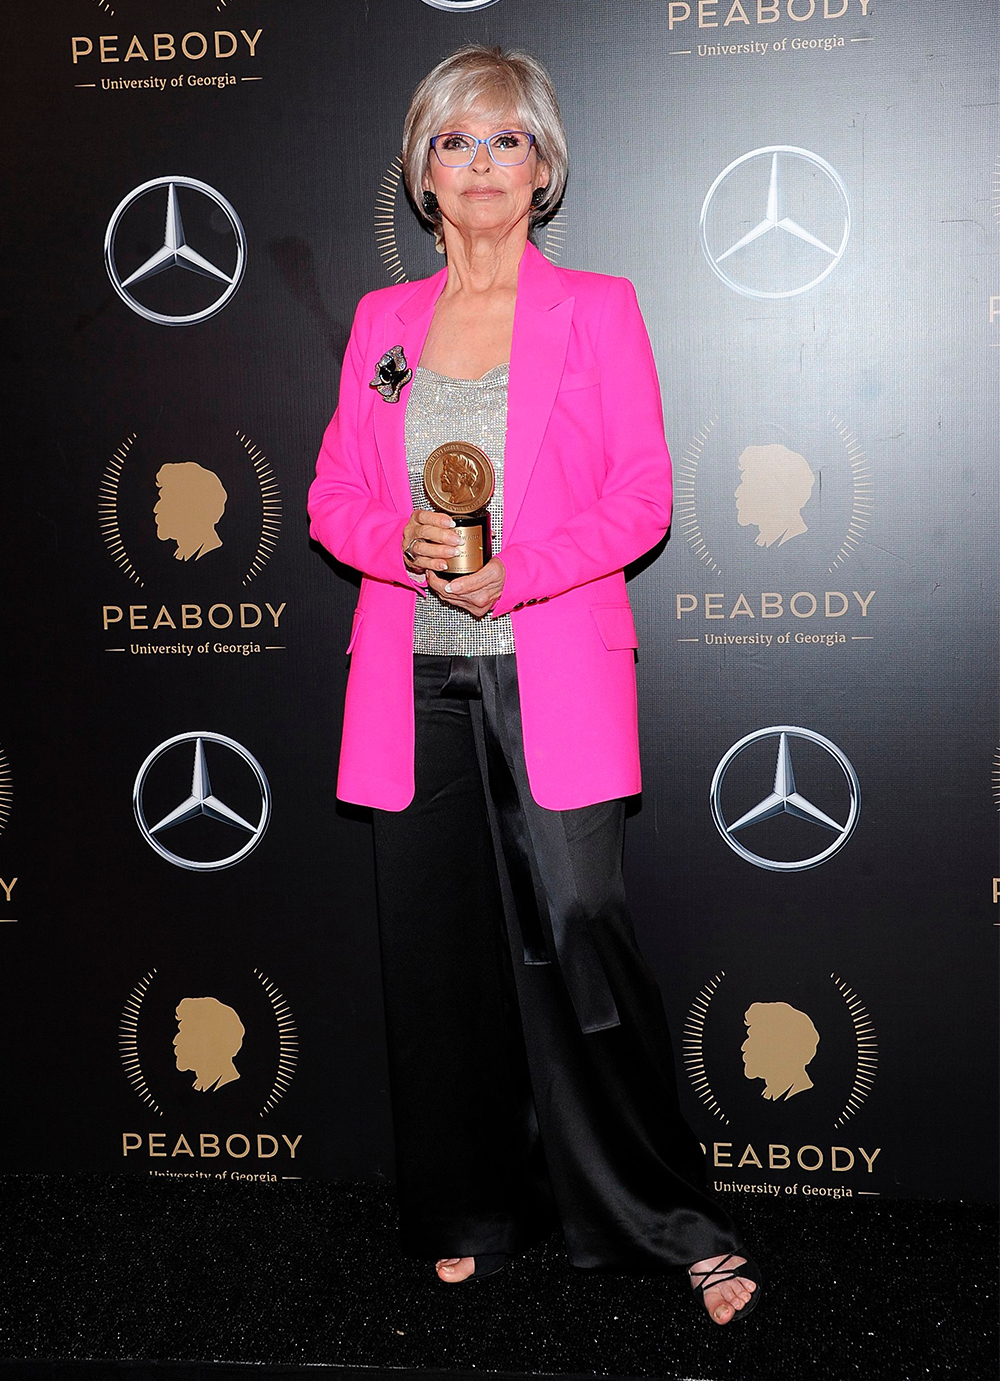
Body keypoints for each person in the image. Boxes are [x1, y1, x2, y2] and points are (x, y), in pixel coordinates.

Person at [308, 44, 761, 1325]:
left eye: (507, 139)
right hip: (410, 678)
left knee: (580, 942)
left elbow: (644, 498)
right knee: (437, 963)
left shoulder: (599, 306)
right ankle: (470, 1209)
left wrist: (517, 574)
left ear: (544, 165)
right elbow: (334, 495)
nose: (483, 163)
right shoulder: (381, 324)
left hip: (550, 663)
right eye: (456, 141)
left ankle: (674, 1225)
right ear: (423, 172)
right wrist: (390, 539)